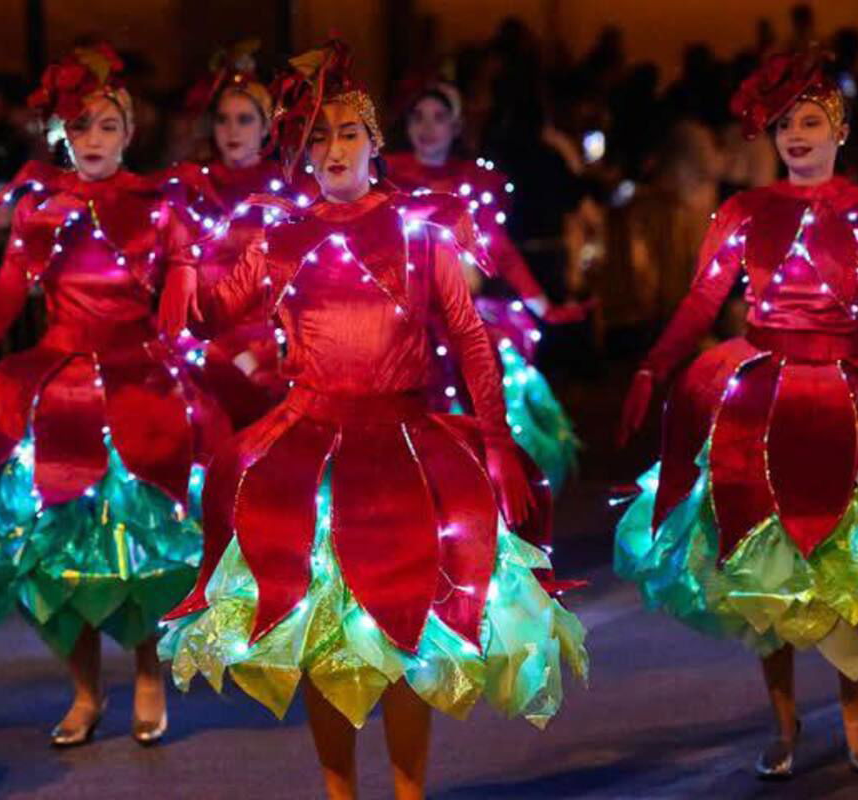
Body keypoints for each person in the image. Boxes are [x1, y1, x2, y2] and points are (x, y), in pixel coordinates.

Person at [157, 41, 586, 800]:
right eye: (317, 136)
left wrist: (496, 444)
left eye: (347, 132)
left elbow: (471, 339)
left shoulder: (420, 233)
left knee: (406, 637)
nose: (332, 150)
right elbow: (205, 317)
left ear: (374, 142)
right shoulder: (280, 237)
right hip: (309, 456)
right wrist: (186, 253)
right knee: (324, 643)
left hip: (403, 452)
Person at [614, 50, 858, 778]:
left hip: (838, 399)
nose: (796, 135)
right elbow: (700, 301)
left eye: (810, 121)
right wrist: (652, 364)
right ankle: (783, 717)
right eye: (784, 123)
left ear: (838, 130)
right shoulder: (744, 210)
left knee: (842, 566)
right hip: (758, 394)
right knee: (764, 563)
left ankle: (853, 699)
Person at [0, 43, 229, 747]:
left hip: (137, 392)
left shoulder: (159, 208)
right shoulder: (39, 209)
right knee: (53, 554)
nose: (92, 141)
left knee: (142, 552)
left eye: (106, 127)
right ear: (62, 135)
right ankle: (84, 691)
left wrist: (181, 344)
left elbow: (182, 291)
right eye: (79, 128)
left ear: (129, 135)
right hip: (56, 395)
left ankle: (146, 672)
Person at [386, 81, 587, 491]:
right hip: (399, 317)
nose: (428, 127)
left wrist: (543, 306)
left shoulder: (474, 181)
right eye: (418, 117)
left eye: (439, 117)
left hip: (461, 315)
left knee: (483, 396)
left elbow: (500, 248)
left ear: (456, 125)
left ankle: (476, 491)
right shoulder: (386, 176)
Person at [159, 42, 286, 425]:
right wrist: (232, 351)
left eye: (245, 119)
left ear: (267, 127)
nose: (232, 130)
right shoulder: (191, 187)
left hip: (277, 348)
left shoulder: (287, 189)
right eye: (223, 119)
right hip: (205, 343)